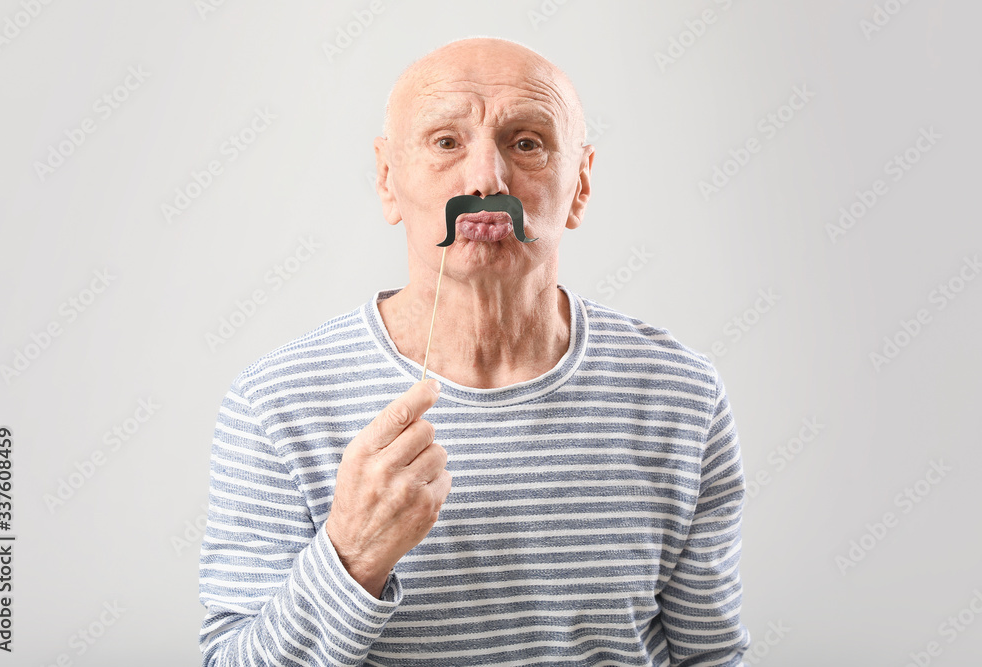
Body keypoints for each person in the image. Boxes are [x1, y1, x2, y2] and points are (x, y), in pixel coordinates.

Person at [198, 36, 752, 666]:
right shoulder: (276, 404)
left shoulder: (681, 395)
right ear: (387, 179)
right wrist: (352, 556)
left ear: (581, 184)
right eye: (445, 142)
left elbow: (710, 656)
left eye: (526, 143)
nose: (487, 179)